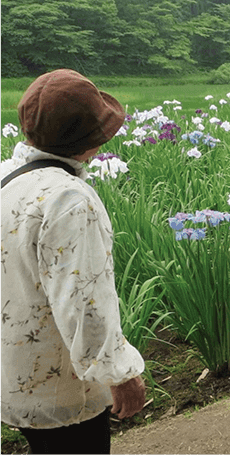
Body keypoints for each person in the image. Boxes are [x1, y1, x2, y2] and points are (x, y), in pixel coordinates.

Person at [1, 69, 146, 454]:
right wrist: (121, 374)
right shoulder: (69, 200)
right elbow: (84, 301)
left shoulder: (8, 179)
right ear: (91, 140)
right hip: (61, 389)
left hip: (14, 376)